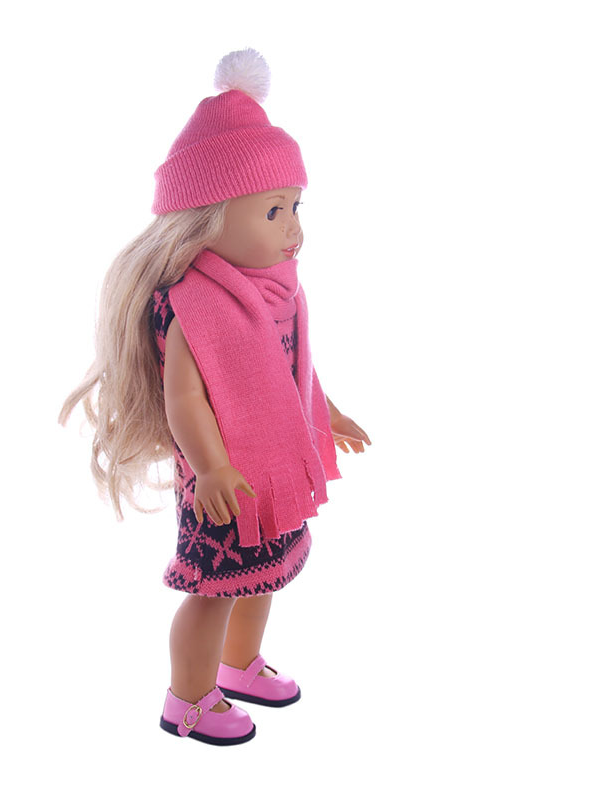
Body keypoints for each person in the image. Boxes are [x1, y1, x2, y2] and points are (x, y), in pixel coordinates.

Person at [58, 48, 371, 746]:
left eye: (295, 206)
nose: (294, 227)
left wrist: (327, 412)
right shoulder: (195, 303)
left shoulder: (277, 292)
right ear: (208, 219)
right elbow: (186, 400)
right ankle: (189, 700)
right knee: (213, 590)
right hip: (221, 484)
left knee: (266, 576)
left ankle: (238, 665)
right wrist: (213, 466)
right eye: (272, 210)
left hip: (270, 474)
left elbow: (294, 370)